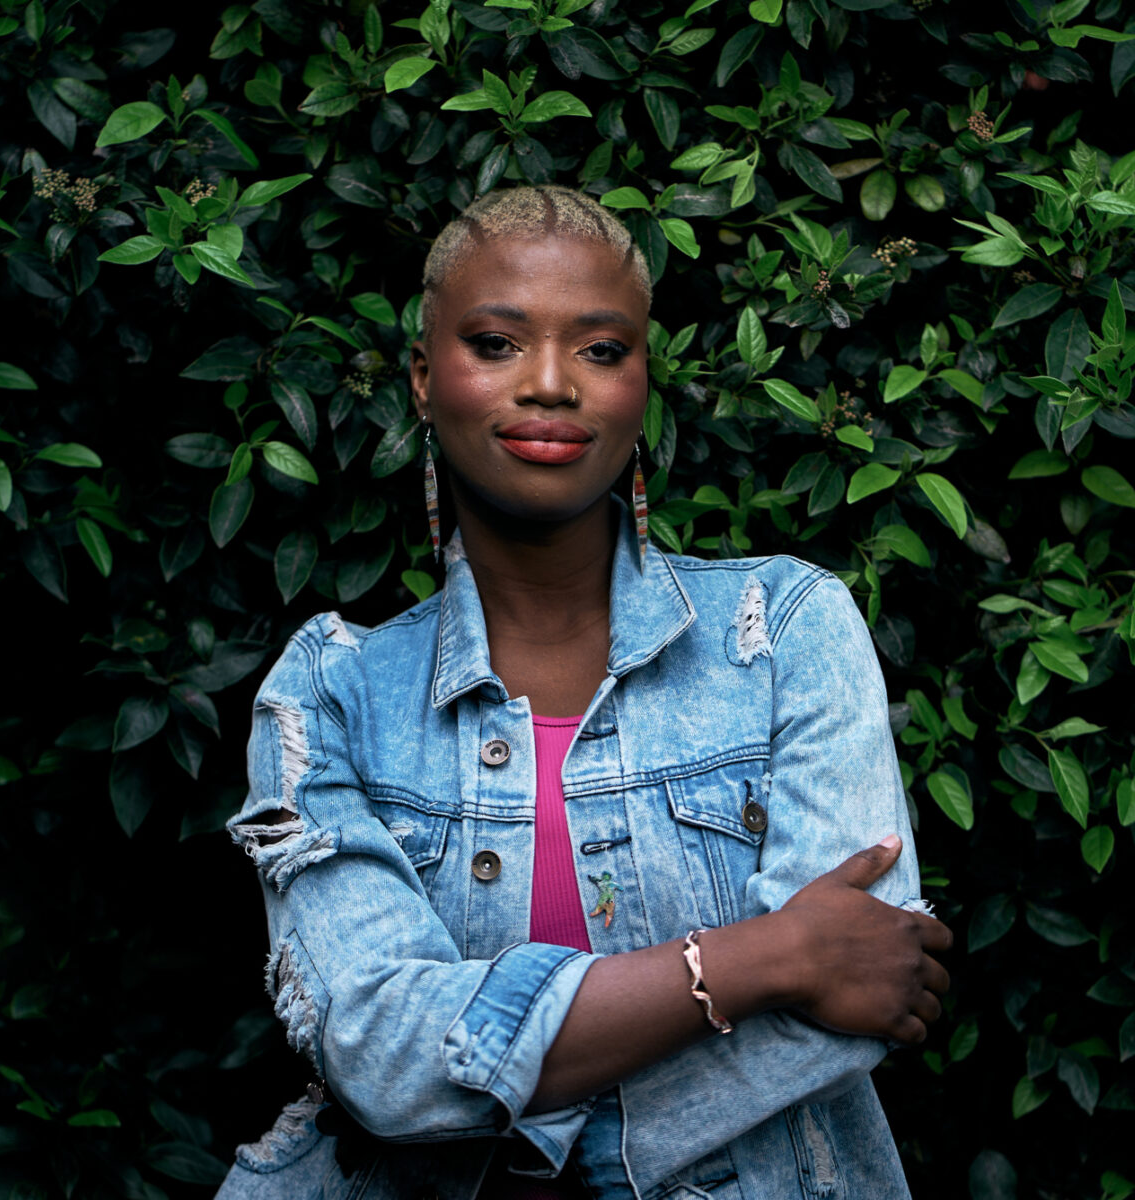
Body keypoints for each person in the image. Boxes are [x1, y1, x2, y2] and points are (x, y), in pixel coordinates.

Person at [217, 186, 952, 1200]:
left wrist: (502, 1096)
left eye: (601, 350)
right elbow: (378, 1054)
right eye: (497, 343)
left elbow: (869, 982)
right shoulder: (333, 693)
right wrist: (764, 959)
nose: (552, 383)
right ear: (426, 381)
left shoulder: (782, 631)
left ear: (642, 384)